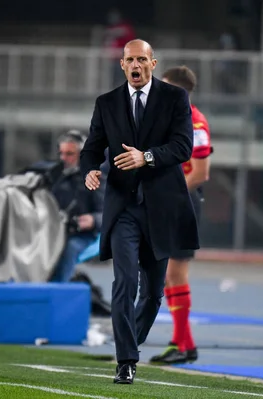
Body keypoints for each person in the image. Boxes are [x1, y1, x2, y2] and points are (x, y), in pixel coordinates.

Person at [80, 39, 199, 385]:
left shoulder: (175, 98)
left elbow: (183, 146)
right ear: (122, 65)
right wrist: (89, 169)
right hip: (123, 207)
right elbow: (92, 148)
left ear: (152, 63)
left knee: (152, 293)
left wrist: (145, 156)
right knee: (125, 282)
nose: (135, 65)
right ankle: (126, 360)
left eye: (141, 60)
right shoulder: (106, 103)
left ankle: (130, 340)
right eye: (129, 59)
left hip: (162, 208)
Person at [149, 66, 212, 365]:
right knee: (169, 276)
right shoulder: (175, 119)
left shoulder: (196, 124)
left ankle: (185, 345)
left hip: (183, 202)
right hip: (174, 201)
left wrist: (170, 195)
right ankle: (181, 342)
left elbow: (201, 173)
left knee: (174, 274)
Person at [48, 130, 104, 283]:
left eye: (69, 154)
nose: (63, 158)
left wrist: (93, 220)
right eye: (61, 153)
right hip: (55, 230)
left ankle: (59, 288)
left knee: (68, 248)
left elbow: (108, 213)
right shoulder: (55, 176)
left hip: (83, 234)